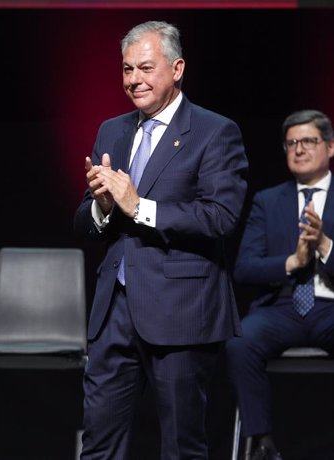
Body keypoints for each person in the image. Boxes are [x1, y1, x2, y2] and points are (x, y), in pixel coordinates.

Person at [73, 21, 248, 459]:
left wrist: (137, 207)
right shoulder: (111, 130)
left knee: (182, 447)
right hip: (114, 310)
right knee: (97, 443)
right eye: (127, 69)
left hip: (181, 311)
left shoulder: (214, 131)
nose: (134, 80)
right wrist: (103, 206)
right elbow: (84, 222)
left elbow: (221, 216)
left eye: (146, 68)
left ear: (177, 68)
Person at [226, 109, 334, 460]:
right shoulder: (267, 201)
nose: (299, 149)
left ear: (330, 147)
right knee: (241, 340)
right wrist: (293, 262)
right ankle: (261, 442)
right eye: (291, 143)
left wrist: (323, 246)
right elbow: (244, 268)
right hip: (283, 308)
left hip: (330, 307)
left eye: (308, 141)